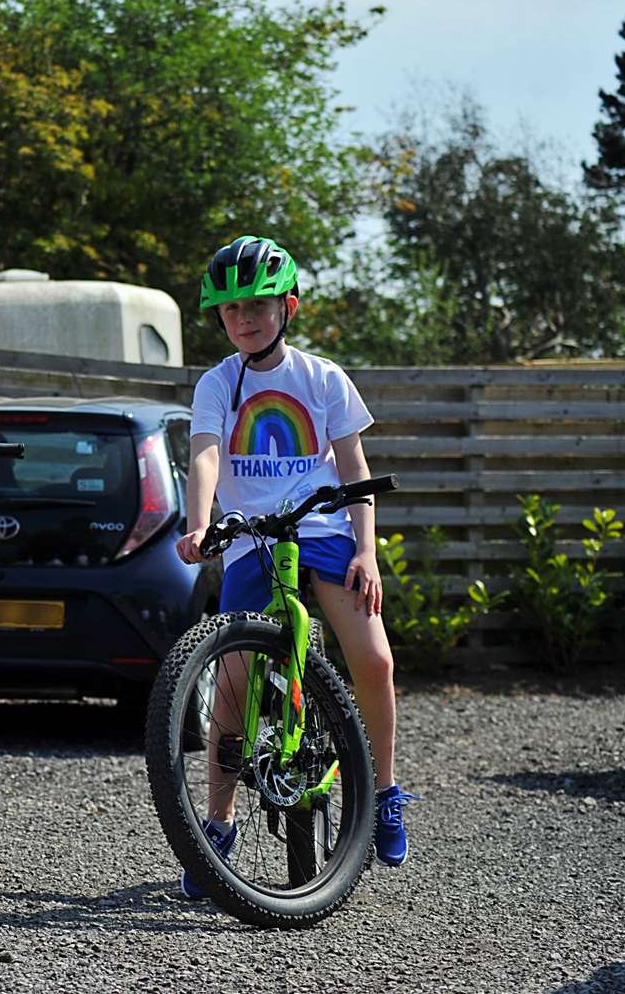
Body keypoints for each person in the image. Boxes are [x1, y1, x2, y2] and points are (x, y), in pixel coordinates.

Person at [175, 235, 414, 897]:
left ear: (288, 306)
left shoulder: (322, 378)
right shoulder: (218, 382)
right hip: (253, 538)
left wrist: (365, 549)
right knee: (229, 682)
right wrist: (200, 523)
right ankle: (217, 824)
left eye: (257, 305)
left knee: (373, 659)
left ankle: (386, 792)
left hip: (324, 531)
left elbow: (354, 471)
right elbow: (203, 455)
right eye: (230, 311)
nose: (244, 319)